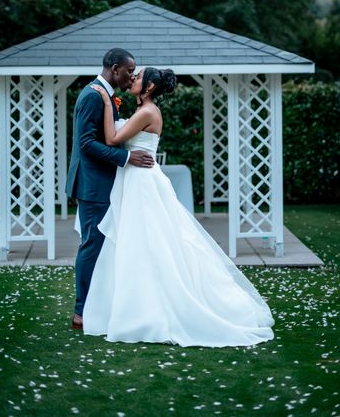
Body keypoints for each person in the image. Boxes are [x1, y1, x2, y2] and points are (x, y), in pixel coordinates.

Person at [82, 67, 274, 347]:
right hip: (135, 180)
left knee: (149, 244)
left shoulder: (148, 112)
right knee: (138, 245)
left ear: (148, 88)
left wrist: (103, 100)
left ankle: (148, 313)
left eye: (138, 77)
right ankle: (134, 307)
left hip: (142, 184)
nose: (133, 79)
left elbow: (112, 139)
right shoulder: (144, 109)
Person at [65, 48, 154, 330]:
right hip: (93, 184)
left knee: (102, 245)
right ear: (115, 69)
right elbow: (87, 144)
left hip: (103, 183)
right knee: (92, 245)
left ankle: (98, 304)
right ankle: (81, 311)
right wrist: (127, 158)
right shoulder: (93, 95)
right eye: (130, 71)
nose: (132, 76)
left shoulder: (104, 96)